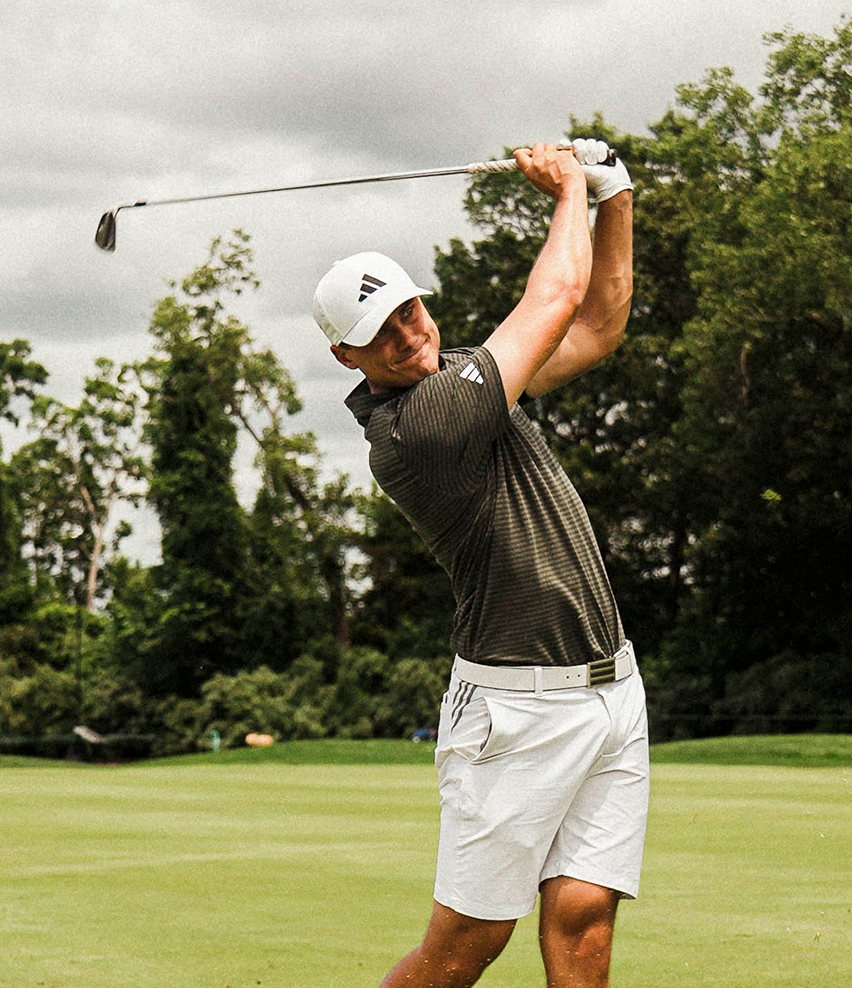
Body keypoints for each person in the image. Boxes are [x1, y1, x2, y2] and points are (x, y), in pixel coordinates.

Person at [311, 139, 645, 988]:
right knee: (464, 949)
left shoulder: (464, 372)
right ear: (346, 359)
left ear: (424, 301)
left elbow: (598, 325)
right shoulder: (418, 429)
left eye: (407, 312)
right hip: (514, 709)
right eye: (376, 334)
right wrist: (570, 186)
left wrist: (616, 196)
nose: (404, 337)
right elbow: (558, 292)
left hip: (612, 691)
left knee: (583, 916)